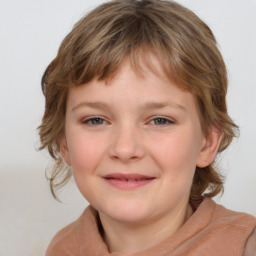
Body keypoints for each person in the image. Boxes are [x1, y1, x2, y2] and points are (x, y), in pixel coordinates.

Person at [38, 0, 256, 255]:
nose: (125, 148)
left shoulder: (245, 246)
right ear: (64, 141)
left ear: (207, 142)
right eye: (96, 120)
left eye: (160, 120)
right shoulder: (63, 248)